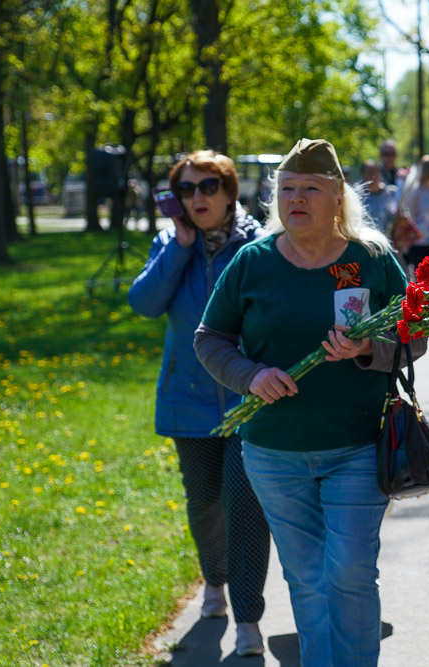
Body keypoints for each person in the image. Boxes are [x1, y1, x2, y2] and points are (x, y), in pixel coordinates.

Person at [193, 139, 424, 666]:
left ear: (338, 197)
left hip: (358, 446)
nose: (296, 199)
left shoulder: (372, 258)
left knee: (349, 571)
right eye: (287, 189)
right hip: (275, 454)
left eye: (311, 189)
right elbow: (210, 339)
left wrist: (369, 348)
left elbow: (416, 336)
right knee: (307, 578)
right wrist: (250, 376)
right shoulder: (252, 263)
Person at [128, 150, 271, 657]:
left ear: (230, 190)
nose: (197, 198)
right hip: (187, 402)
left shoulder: (258, 244)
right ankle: (214, 580)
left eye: (208, 186)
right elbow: (143, 304)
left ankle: (249, 618)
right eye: (186, 190)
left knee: (245, 507)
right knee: (205, 500)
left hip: (249, 400)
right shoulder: (170, 242)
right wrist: (181, 248)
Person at [360, 159, 397, 234]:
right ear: (363, 174)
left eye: (374, 171)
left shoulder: (391, 193)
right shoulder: (357, 196)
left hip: (387, 240)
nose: (372, 175)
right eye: (369, 172)